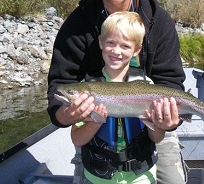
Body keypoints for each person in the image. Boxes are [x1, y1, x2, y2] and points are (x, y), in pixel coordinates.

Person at [47, 0, 187, 184]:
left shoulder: (158, 21)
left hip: (153, 129)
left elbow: (171, 81)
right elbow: (59, 84)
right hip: (95, 138)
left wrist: (168, 121)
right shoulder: (77, 25)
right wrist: (66, 115)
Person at [71, 11, 166, 183]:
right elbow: (76, 139)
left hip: (141, 177)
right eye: (111, 43)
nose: (116, 51)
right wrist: (95, 121)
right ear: (100, 42)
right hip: (98, 177)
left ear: (137, 50)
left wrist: (158, 122)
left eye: (125, 46)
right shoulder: (87, 85)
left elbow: (157, 138)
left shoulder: (148, 86)